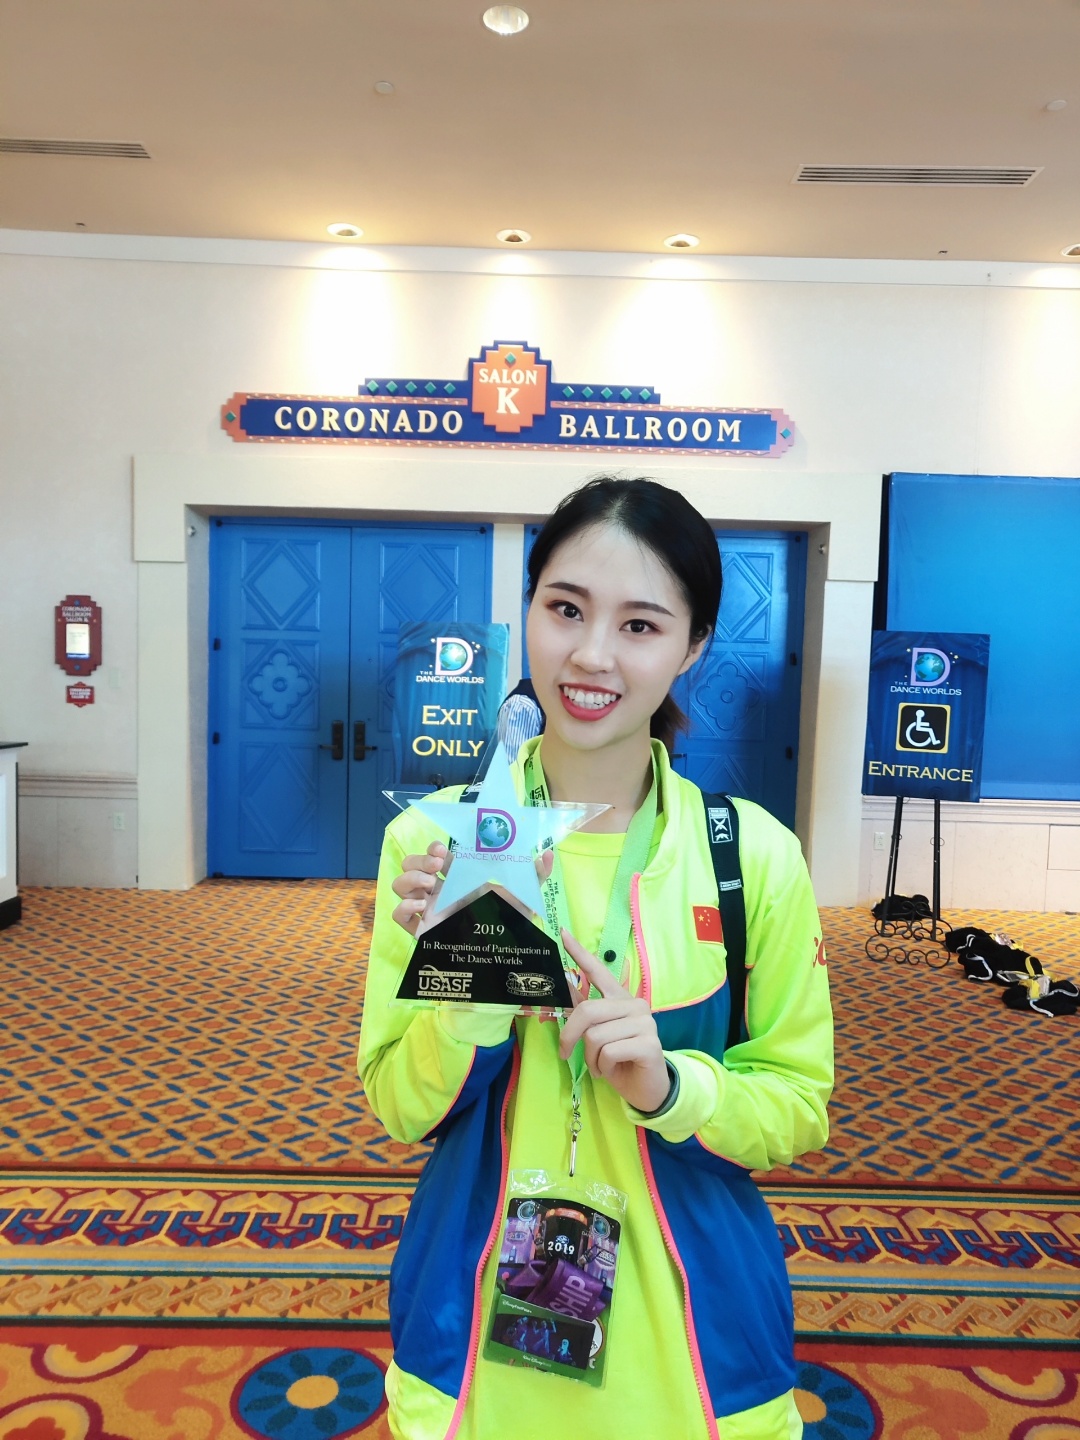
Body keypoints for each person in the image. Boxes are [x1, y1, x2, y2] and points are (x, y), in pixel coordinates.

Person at [358, 476, 834, 1440]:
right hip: (476, 1340)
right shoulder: (435, 846)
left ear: (693, 646)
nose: (590, 655)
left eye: (641, 625)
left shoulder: (752, 858)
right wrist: (472, 993)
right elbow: (402, 1108)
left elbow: (798, 1106)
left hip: (695, 1349)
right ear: (528, 608)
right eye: (566, 609)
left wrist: (672, 1087)